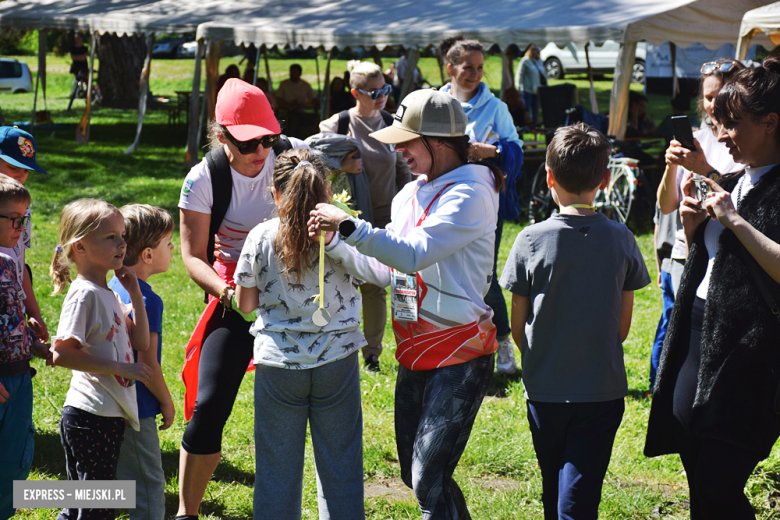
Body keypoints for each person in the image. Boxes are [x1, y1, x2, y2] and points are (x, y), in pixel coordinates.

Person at [309, 89, 503, 518]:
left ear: (438, 142)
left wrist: (350, 226)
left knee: (427, 477)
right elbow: (390, 269)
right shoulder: (407, 195)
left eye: (406, 142)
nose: (399, 152)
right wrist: (337, 243)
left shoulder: (472, 192)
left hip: (461, 353)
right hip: (414, 352)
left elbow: (414, 252)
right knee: (416, 477)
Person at [645, 57, 780, 520]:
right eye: (718, 124)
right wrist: (691, 226)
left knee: (718, 485)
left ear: (770, 122)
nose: (721, 136)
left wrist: (732, 219)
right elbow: (715, 258)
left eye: (732, 125)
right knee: (695, 473)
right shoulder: (733, 181)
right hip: (697, 335)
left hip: (751, 353)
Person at [500, 123, 650, 519]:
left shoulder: (529, 239)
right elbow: (622, 326)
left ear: (548, 177)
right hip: (601, 389)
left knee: (557, 490)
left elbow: (517, 326)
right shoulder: (622, 238)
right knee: (577, 495)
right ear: (604, 179)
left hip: (544, 389)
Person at [176, 78, 306, 520]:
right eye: (249, 143)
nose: (261, 152)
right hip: (235, 292)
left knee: (300, 406)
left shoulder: (291, 157)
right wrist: (229, 294)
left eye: (269, 139)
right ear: (222, 136)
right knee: (210, 404)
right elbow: (192, 258)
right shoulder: (203, 178)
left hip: (294, 288)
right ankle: (186, 512)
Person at [235, 149, 373, 520]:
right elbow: (374, 275)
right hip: (337, 360)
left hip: (278, 363)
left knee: (276, 469)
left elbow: (245, 304)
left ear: (276, 193)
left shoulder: (261, 236)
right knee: (341, 465)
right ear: (325, 191)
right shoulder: (341, 236)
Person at [49, 199, 153, 520]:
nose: (122, 243)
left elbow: (141, 341)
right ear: (80, 247)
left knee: (86, 502)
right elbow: (62, 353)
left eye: (122, 236)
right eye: (110, 237)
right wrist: (123, 368)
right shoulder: (84, 294)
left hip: (106, 414)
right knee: (97, 506)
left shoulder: (106, 291)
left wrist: (135, 294)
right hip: (89, 414)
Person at [319, 60, 412, 372]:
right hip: (344, 215)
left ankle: (372, 353)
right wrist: (341, 167)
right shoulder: (337, 124)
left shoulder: (391, 123)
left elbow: (404, 169)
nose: (382, 96)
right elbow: (312, 164)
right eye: (374, 92)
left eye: (386, 89)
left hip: (385, 218)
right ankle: (336, 346)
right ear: (354, 92)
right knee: (342, 281)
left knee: (376, 285)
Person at [439, 35, 524, 375]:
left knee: (482, 276)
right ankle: (456, 342)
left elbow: (515, 150)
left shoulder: (496, 108)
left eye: (479, 68)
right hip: (439, 197)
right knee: (444, 273)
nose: (475, 75)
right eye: (467, 68)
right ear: (450, 68)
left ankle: (502, 344)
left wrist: (489, 152)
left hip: (484, 200)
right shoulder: (434, 101)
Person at [110, 204, 175, 520]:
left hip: (104, 401)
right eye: (168, 243)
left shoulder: (108, 285)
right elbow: (148, 364)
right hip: (137, 408)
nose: (173, 247)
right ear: (148, 255)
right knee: (149, 486)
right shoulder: (147, 300)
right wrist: (166, 401)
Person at [657, 58, 744, 295]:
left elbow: (743, 202)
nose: (714, 105)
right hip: (685, 252)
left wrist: (705, 169)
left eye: (721, 96)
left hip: (725, 253)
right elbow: (666, 207)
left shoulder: (746, 145)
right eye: (708, 98)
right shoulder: (699, 139)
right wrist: (671, 166)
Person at [0, 176, 51, 520]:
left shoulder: (9, 262)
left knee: (14, 460)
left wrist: (32, 341)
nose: (21, 227)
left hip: (19, 378)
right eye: (14, 219)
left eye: (24, 218)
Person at [0, 127, 49, 344]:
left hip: (13, 310)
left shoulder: (23, 208)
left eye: (26, 170)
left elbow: (21, 265)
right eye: (12, 167)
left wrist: (33, 312)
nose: (20, 175)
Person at [648, 203, 678, 393]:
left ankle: (655, 381)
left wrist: (659, 267)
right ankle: (658, 382)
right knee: (672, 324)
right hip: (679, 263)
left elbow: (657, 229)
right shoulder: (687, 182)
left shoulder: (665, 186)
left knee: (667, 323)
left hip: (666, 262)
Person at [515, 43, 546, 124]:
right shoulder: (525, 60)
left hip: (538, 91)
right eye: (532, 49)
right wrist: (519, 87)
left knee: (536, 110)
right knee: (526, 110)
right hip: (528, 90)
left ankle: (534, 126)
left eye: (536, 49)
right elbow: (520, 74)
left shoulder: (540, 61)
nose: (534, 51)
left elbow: (544, 76)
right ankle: (525, 126)